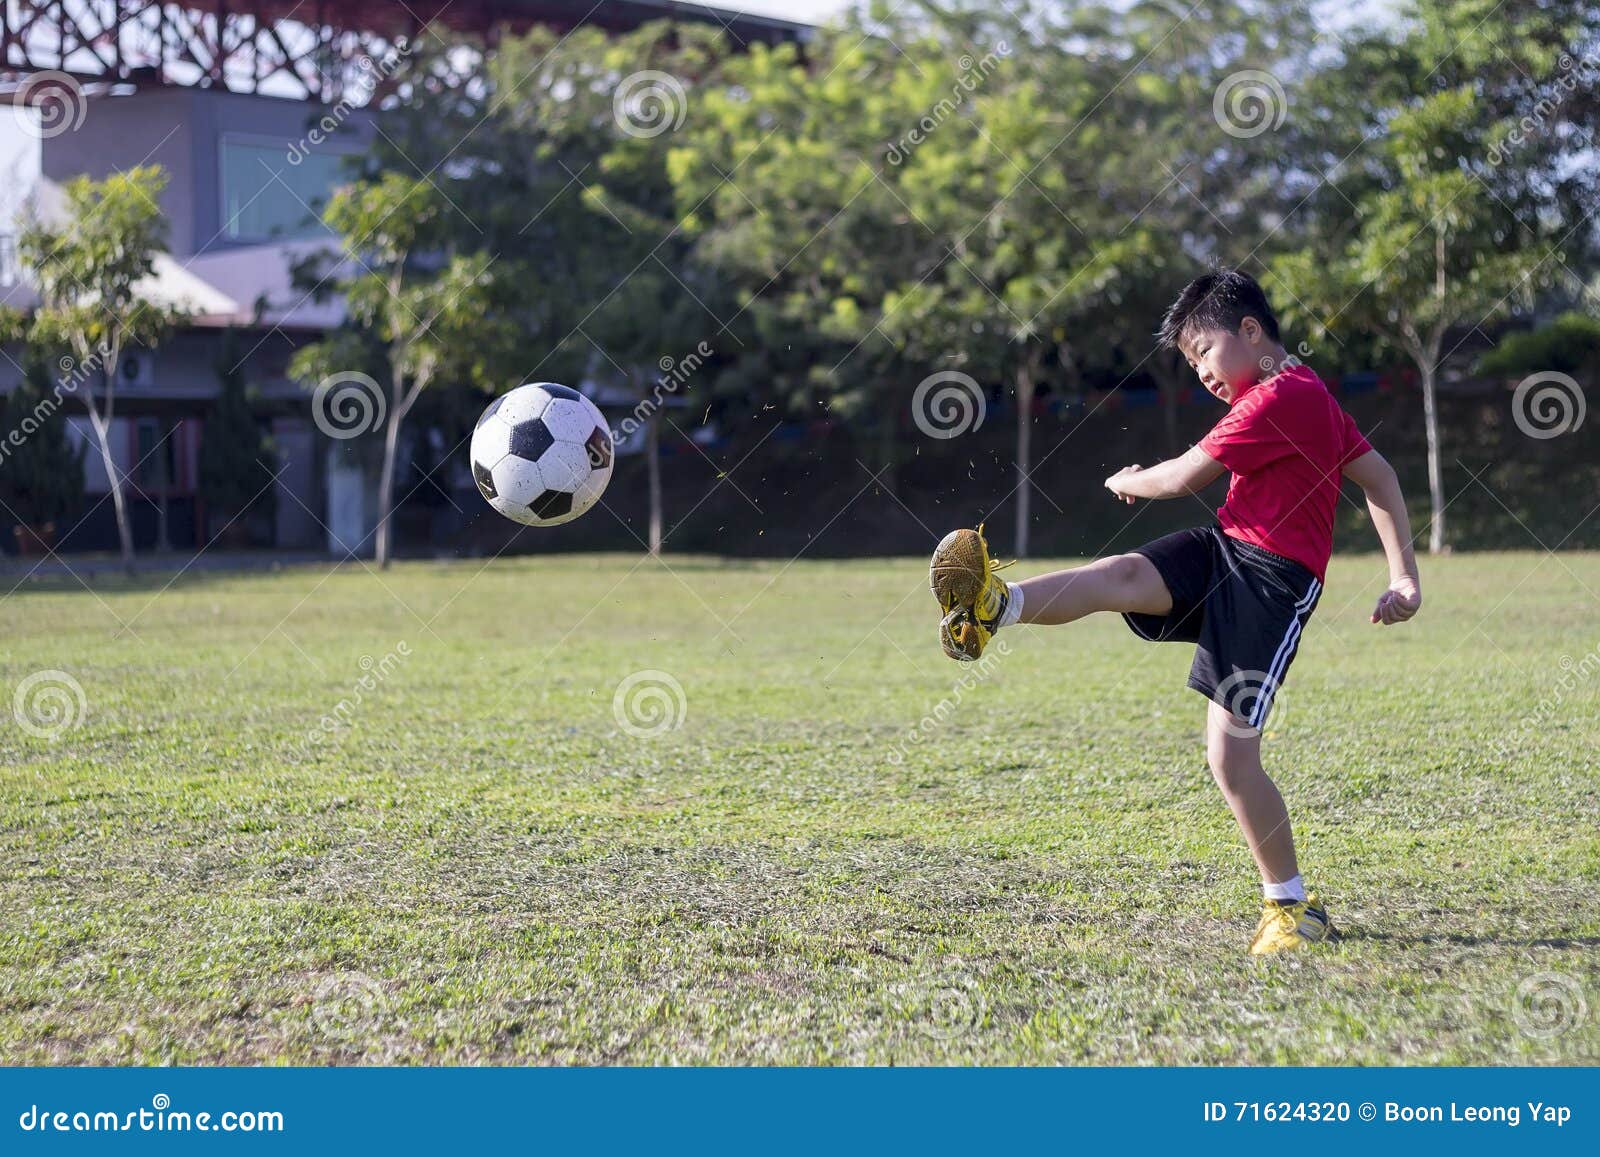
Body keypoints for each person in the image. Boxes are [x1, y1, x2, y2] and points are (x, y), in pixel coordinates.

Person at [928, 269, 1422, 955]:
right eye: (1191, 365)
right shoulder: (1299, 392)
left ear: (1250, 331)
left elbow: (1188, 474)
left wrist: (1131, 479)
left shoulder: (1282, 397)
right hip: (1226, 549)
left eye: (1204, 354)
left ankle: (1292, 907)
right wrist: (1403, 576)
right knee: (1125, 574)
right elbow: (1383, 477)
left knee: (1230, 757)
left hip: (1274, 585)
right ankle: (992, 607)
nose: (1203, 376)